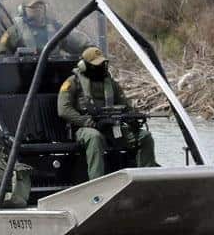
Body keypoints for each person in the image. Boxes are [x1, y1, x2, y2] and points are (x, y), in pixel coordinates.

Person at [57, 46, 158, 180]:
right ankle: (96, 181)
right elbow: (64, 110)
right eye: (96, 65)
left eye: (102, 64)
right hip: (84, 128)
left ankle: (146, 179)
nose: (101, 67)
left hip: (112, 127)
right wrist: (87, 121)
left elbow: (126, 106)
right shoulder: (72, 82)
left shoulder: (111, 84)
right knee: (94, 137)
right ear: (84, 66)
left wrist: (133, 117)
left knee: (144, 137)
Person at [0, 0, 93, 56]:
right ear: (23, 10)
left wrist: (91, 51)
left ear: (45, 8)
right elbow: (2, 55)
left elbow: (78, 43)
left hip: (54, 73)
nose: (37, 9)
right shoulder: (14, 31)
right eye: (33, 7)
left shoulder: (57, 28)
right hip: (24, 74)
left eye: (40, 6)